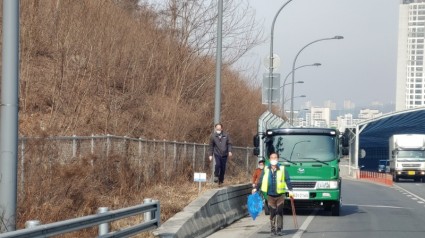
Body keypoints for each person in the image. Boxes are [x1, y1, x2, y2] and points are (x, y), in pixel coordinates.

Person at [252, 152, 293, 236]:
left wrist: (290, 190)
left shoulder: (282, 168)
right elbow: (260, 180)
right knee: (272, 212)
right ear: (269, 159)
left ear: (277, 159)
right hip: (270, 195)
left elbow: (287, 179)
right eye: (271, 158)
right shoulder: (266, 169)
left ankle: (279, 229)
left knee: (279, 211)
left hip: (280, 194)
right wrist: (256, 188)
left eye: (275, 157)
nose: (273, 159)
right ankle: (273, 229)